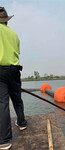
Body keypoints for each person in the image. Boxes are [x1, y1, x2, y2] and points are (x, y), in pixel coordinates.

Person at [0, 7, 27, 150]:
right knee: (17, 98)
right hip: (15, 69)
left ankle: (4, 141)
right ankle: (22, 123)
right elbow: (17, 52)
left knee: (2, 103)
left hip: (0, 70)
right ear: (6, 21)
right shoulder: (14, 34)